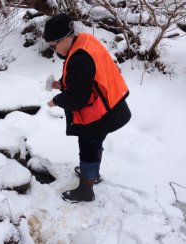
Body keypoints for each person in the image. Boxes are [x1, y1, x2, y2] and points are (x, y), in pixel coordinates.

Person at [43, 13, 131, 203]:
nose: (52, 49)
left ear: (65, 38)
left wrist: (57, 100)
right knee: (94, 145)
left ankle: (85, 190)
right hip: (111, 105)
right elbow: (85, 81)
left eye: (53, 45)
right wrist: (62, 85)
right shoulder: (84, 42)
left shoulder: (80, 58)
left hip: (100, 115)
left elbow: (77, 99)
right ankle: (91, 175)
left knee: (88, 148)